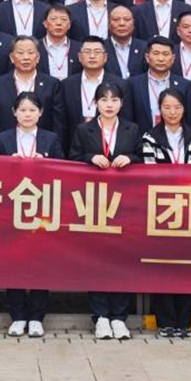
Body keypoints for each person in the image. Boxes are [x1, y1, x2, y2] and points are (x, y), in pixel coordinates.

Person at [70, 82, 141, 340]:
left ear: (121, 103)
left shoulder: (133, 129)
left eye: (114, 100)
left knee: (122, 259)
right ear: (95, 103)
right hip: (94, 204)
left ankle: (119, 317)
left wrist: (131, 159)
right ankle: (100, 316)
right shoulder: (84, 129)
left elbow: (143, 157)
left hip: (125, 204)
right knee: (97, 259)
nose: (109, 105)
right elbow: (71, 157)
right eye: (103, 99)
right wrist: (90, 157)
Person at [0, 92, 63, 337]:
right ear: (14, 112)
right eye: (22, 110)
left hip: (43, 208)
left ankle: (36, 317)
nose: (27, 115)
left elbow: (63, 171)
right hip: (11, 208)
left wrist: (45, 162)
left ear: (41, 113)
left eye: (32, 110)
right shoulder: (2, 139)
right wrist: (7, 163)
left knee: (41, 262)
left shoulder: (51, 139)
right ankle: (17, 315)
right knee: (13, 261)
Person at [140, 87, 191, 338]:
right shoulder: (150, 137)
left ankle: (184, 322)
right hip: (162, 211)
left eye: (177, 107)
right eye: (167, 107)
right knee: (162, 266)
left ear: (184, 109)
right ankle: (165, 321)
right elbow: (151, 173)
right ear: (159, 110)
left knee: (187, 267)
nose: (172, 112)